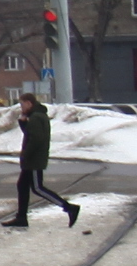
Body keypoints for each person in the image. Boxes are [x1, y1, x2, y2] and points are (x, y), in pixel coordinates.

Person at [7, 90, 82, 230]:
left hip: (34, 160)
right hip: (33, 158)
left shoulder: (36, 117)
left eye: (22, 105)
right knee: (22, 185)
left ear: (29, 103)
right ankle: (21, 217)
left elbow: (36, 139)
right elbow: (31, 134)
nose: (21, 108)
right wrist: (23, 123)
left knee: (37, 188)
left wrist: (26, 154)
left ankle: (69, 208)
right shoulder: (37, 116)